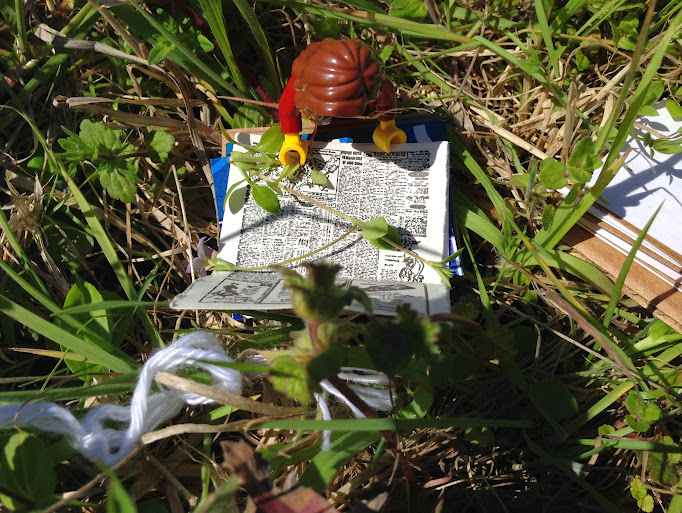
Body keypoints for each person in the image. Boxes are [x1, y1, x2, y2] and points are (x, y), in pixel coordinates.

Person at [278, 38, 407, 166]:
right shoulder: (300, 85)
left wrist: (387, 125)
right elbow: (287, 109)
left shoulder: (374, 83)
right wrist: (292, 139)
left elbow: (386, 96)